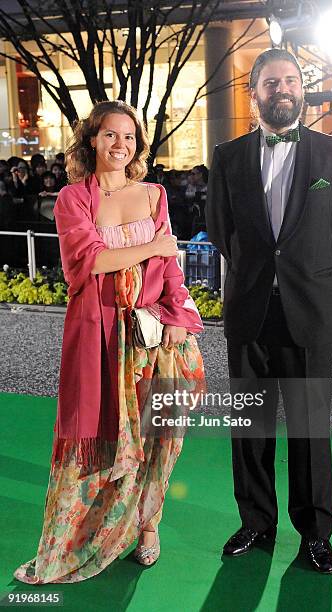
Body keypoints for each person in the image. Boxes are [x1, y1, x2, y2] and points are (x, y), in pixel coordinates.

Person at [14, 100, 205, 584]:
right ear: (91, 141)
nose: (120, 145)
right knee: (94, 437)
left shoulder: (155, 195)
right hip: (97, 335)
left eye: (129, 136)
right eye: (109, 135)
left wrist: (180, 313)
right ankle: (76, 540)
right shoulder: (72, 199)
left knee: (156, 435)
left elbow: (169, 270)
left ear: (138, 143)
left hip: (152, 335)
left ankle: (147, 527)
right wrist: (154, 246)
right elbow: (87, 263)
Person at [206, 48, 332, 574]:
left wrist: (303, 276)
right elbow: (225, 232)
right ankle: (255, 522)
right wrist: (262, 274)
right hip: (250, 309)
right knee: (249, 427)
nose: (283, 89)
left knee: (309, 428)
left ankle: (316, 533)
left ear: (302, 89)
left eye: (291, 80)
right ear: (253, 93)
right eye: (271, 82)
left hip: (310, 313)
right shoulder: (227, 157)